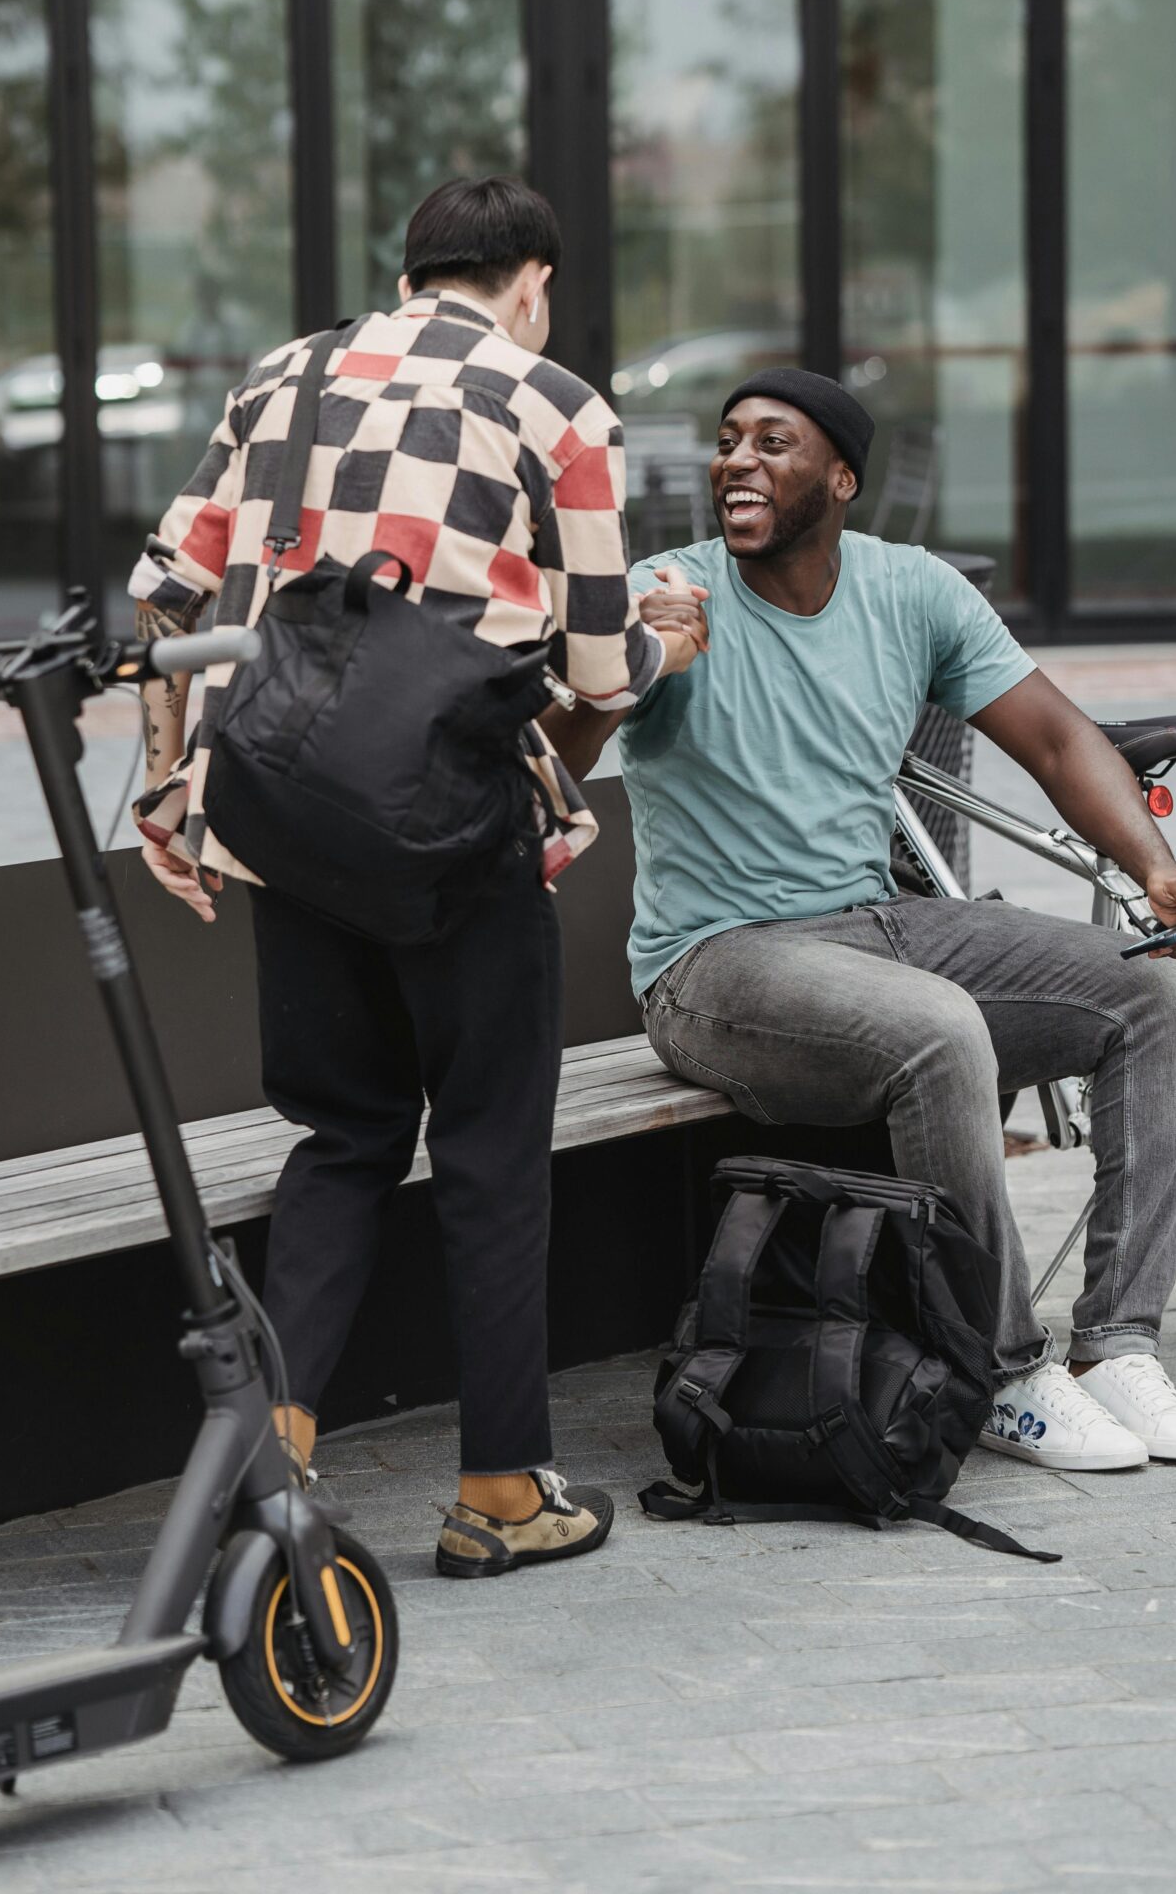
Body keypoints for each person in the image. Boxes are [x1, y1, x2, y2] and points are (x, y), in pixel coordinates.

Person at [129, 176, 700, 1577]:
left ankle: (270, 1457)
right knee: (493, 1151)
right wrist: (674, 639)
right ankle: (503, 1494)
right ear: (531, 281)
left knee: (340, 1136)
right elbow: (594, 668)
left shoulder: (284, 377)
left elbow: (162, 591)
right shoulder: (556, 402)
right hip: (454, 835)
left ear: (405, 275)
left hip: (284, 820)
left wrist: (163, 785)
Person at [539, 366, 1176, 1473]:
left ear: (842, 479)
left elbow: (1055, 737)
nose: (738, 461)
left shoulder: (912, 590)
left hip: (874, 924)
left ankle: (1117, 1341)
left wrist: (1156, 867)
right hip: (715, 964)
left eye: (775, 442)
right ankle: (997, 1366)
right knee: (939, 1026)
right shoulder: (670, 590)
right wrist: (625, 665)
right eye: (728, 442)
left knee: (1154, 988)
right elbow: (553, 758)